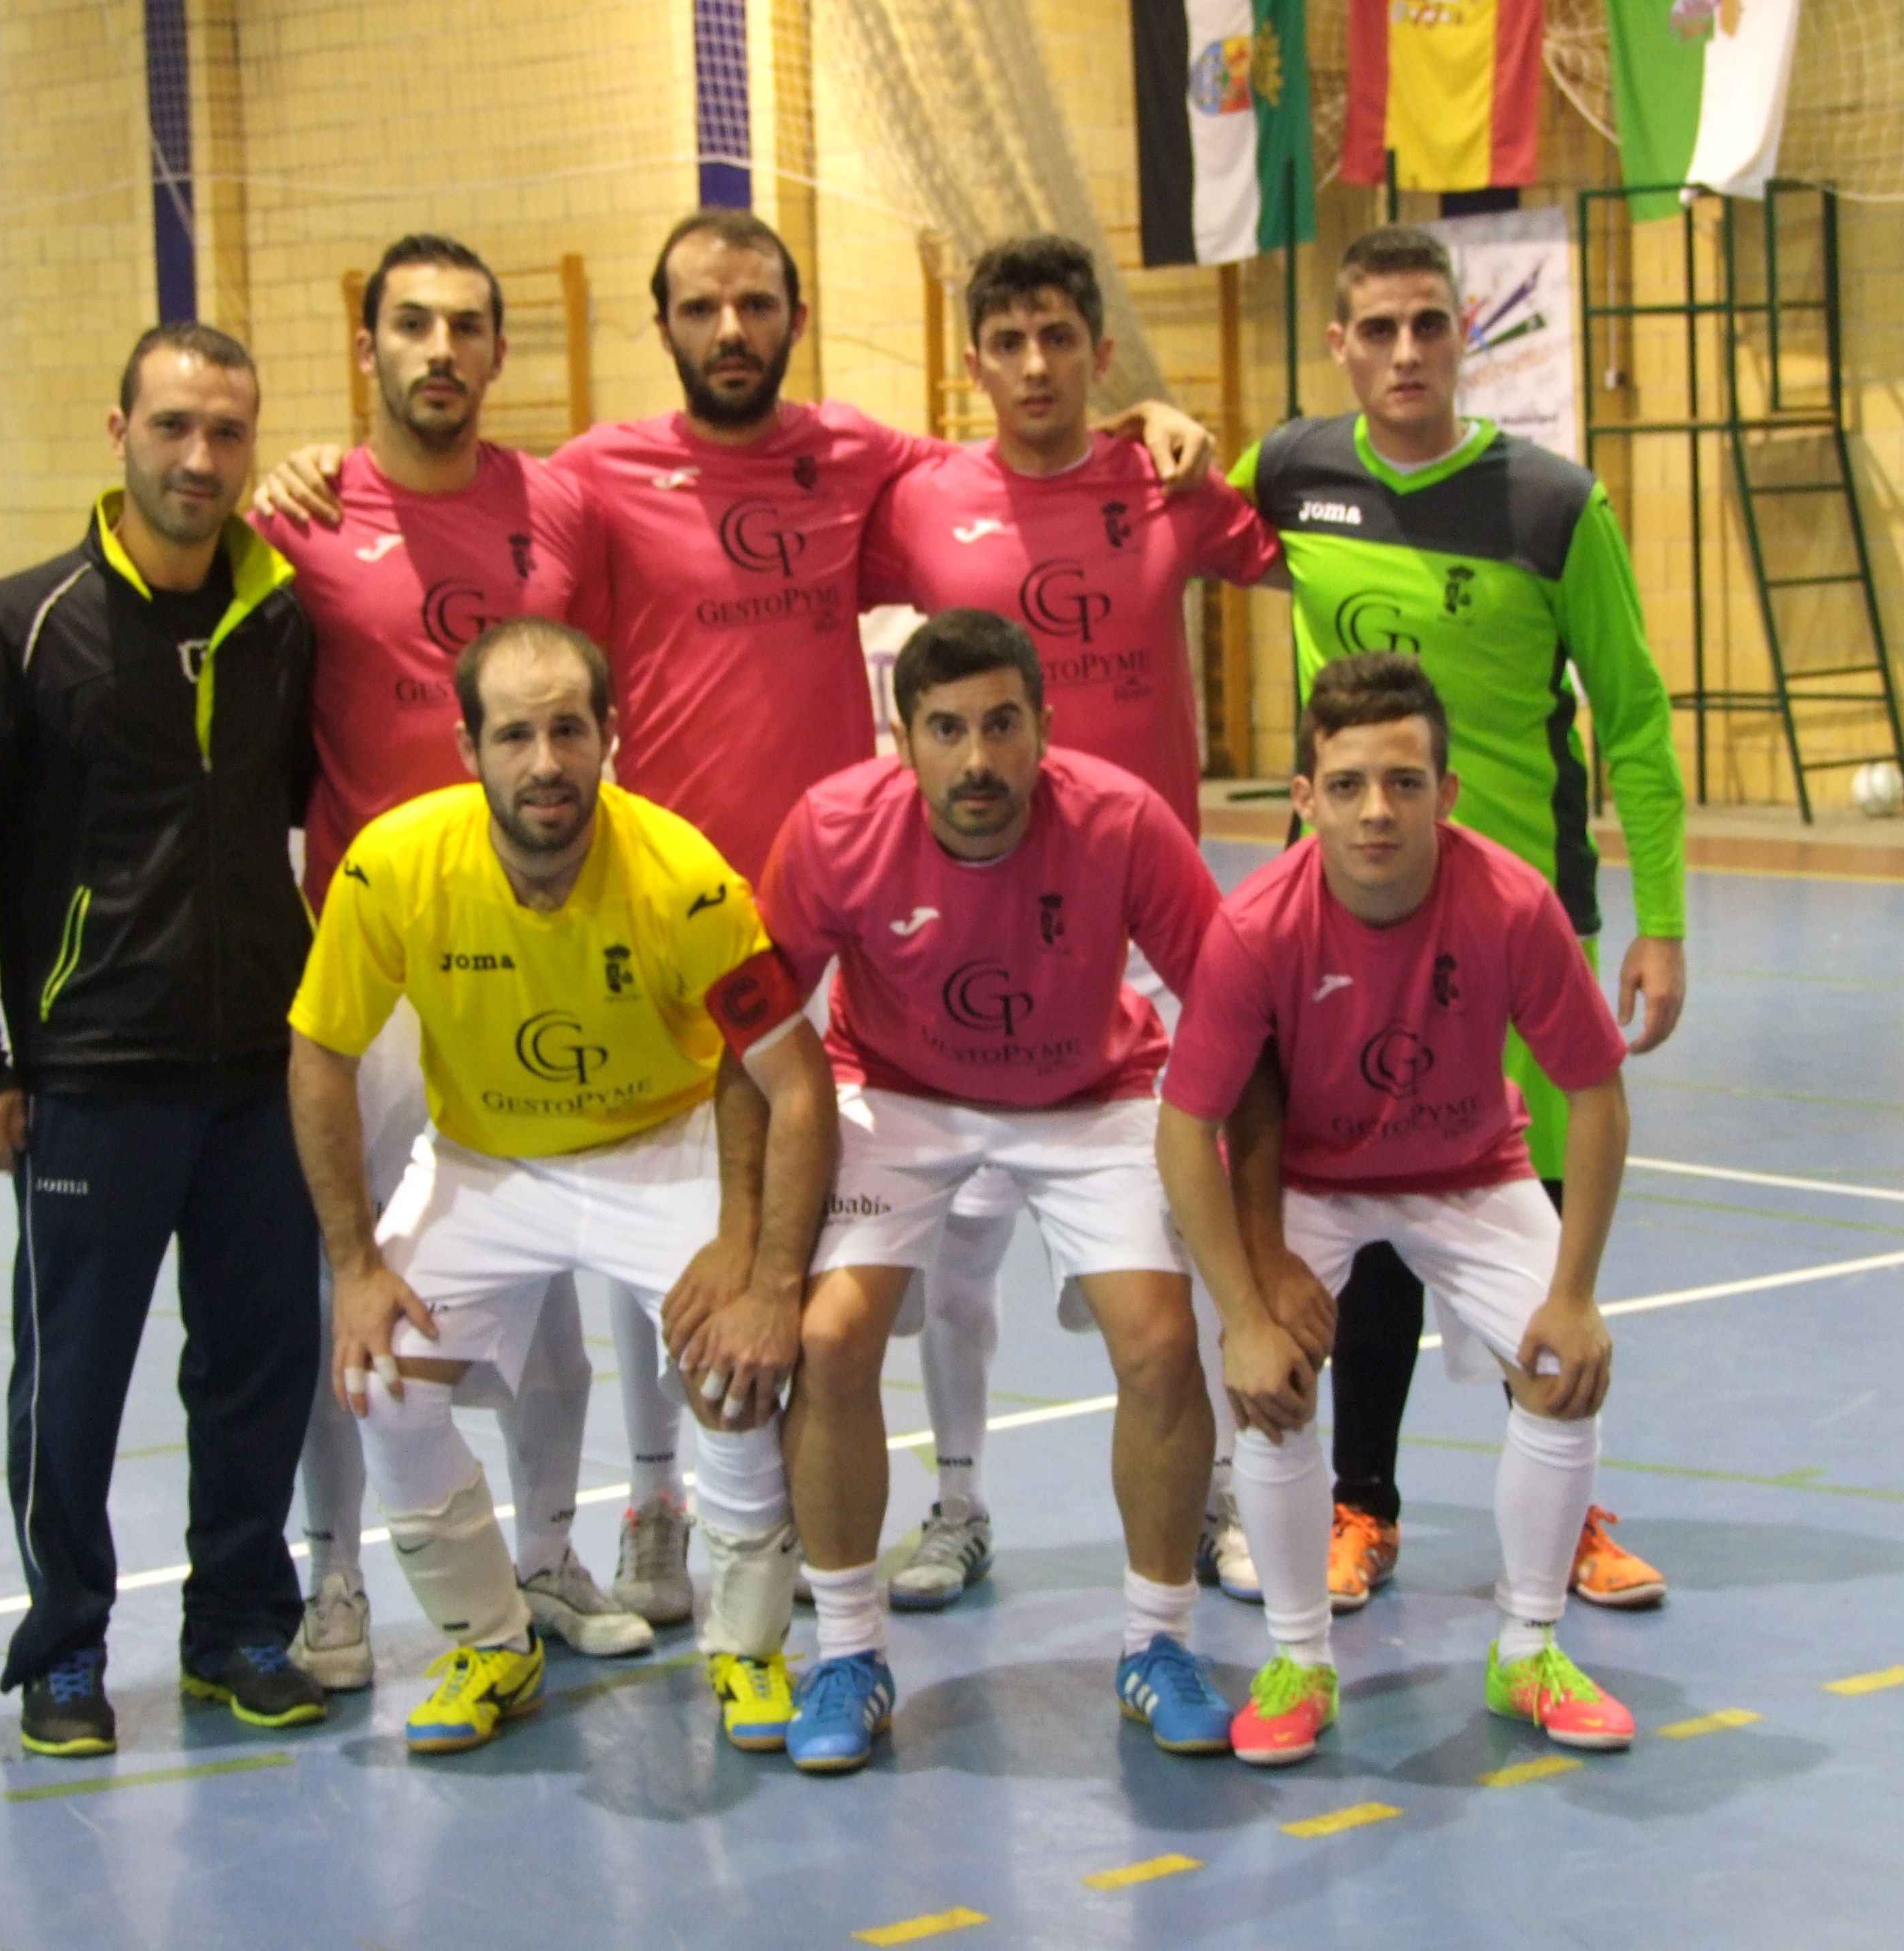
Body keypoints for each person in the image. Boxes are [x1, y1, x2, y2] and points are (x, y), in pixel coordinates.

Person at [253, 209, 1215, 1634]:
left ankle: (929, 1505)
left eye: (756, 304)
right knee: (574, 1255)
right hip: (641, 917)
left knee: (815, 1253)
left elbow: (1020, 471)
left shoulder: (864, 461)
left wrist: (1135, 424)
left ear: (794, 316)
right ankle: (613, 1514)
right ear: (664, 326)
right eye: (702, 306)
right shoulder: (586, 484)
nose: (729, 330)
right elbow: (454, 523)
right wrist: (308, 466)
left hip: (843, 912)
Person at [1226, 224, 1685, 1614]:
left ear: (1465, 331)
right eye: (1380, 329)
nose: (1408, 352)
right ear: (1341, 343)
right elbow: (1161, 509)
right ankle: (1361, 1505)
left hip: (1517, 924)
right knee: (1367, 1216)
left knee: (1528, 1222)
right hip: (1350, 928)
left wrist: (1658, 918)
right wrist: (1161, 429)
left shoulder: (1552, 502)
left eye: (1431, 325)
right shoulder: (1293, 474)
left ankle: (1567, 1500)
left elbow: (1640, 717)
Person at [285, 617, 837, 1755]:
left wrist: (764, 1266)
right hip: (486, 1162)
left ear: (610, 739)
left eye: (570, 731)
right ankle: (492, 1641)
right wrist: (354, 1264)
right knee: (383, 1383)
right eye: (517, 735)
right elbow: (320, 1056)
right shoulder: (391, 867)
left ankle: (748, 1649)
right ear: (467, 748)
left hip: (661, 1146)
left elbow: (792, 1079)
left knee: (735, 1376)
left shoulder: (687, 881)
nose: (546, 763)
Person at [0, 321, 327, 1758]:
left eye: (226, 433)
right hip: (91, 1076)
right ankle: (65, 1649)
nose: (199, 459)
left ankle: (239, 1627)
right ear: (119, 431)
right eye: (173, 428)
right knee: (74, 1375)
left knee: (258, 1362)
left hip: (262, 1070)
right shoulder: (17, 629)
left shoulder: (282, 621)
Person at [855, 234, 1283, 1611]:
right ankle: (959, 1500)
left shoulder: (1167, 481)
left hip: (1146, 915)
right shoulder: (920, 499)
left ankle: (1218, 1497)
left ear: (1101, 353)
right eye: (1007, 342)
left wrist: (1192, 435)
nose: (1034, 366)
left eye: (1059, 339)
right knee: (960, 1240)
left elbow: (1311, 557)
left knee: (1194, 1217)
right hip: (975, 913)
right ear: (970, 360)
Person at [247, 233, 640, 1687]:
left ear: (497, 351)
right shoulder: (296, 514)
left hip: (536, 954)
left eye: (467, 327)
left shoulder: (562, 506)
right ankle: (334, 1577)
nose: (439, 351)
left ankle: (545, 1555)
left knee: (545, 1292)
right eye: (409, 324)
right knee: (341, 1284)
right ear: (365, 348)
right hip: (380, 969)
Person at [758, 609, 1233, 1775]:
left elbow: (1231, 1014)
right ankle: (849, 1652)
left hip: (1095, 1096)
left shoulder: (1123, 822)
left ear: (1044, 729)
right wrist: (757, 1260)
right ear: (902, 737)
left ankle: (1158, 1642)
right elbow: (759, 1032)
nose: (979, 759)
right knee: (827, 1339)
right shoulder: (831, 829)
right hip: (901, 1092)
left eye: (1004, 726)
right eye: (949, 729)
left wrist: (1254, 1252)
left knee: (1163, 1345)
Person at [1158, 652, 1638, 1765]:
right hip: (1313, 1182)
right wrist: (1244, 1304)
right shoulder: (1257, 926)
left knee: (1564, 1374)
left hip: (1471, 1168)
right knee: (1269, 1384)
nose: (1378, 810)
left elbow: (1597, 1095)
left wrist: (1575, 1293)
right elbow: (1187, 1131)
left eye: (1407, 782)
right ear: (1303, 798)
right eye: (1349, 784)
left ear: (1447, 793)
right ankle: (1299, 1661)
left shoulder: (1513, 905)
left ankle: (1529, 1650)